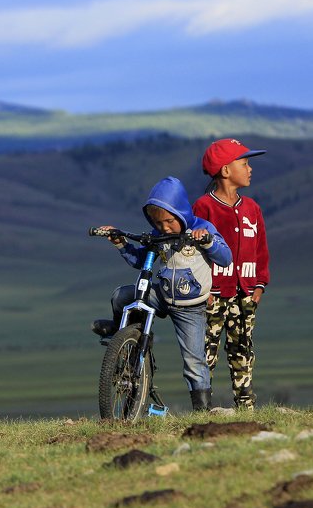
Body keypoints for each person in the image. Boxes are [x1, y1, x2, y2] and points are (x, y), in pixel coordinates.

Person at [93, 176, 232, 412]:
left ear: (181, 212)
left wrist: (208, 242)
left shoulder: (202, 228)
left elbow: (225, 258)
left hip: (191, 306)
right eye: (158, 223)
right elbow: (139, 260)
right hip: (163, 295)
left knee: (194, 361)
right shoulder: (157, 235)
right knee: (121, 296)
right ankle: (121, 336)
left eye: (169, 221)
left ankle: (202, 409)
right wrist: (120, 243)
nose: (164, 228)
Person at [193, 138, 270, 410]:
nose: (250, 169)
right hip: (213, 295)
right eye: (244, 163)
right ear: (226, 170)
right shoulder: (204, 207)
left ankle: (246, 406)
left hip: (245, 293)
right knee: (206, 352)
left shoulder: (252, 208)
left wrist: (259, 285)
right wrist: (204, 290)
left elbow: (260, 248)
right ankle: (203, 408)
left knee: (243, 348)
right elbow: (195, 253)